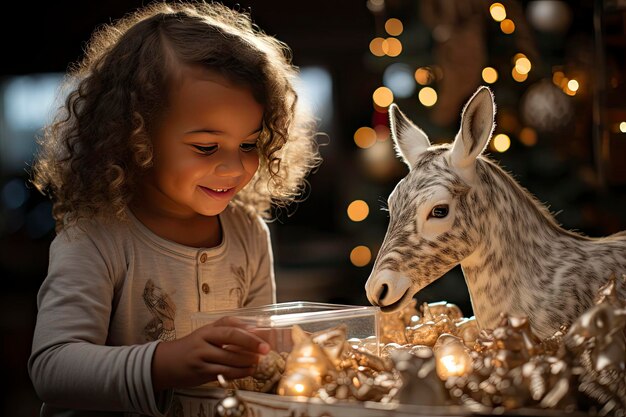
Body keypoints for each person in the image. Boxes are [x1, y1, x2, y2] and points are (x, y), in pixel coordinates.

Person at [27, 1, 321, 416]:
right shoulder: (95, 237)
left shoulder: (248, 232)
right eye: (205, 146)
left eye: (249, 144)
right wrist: (164, 362)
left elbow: (258, 363)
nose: (235, 166)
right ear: (134, 136)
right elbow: (52, 369)